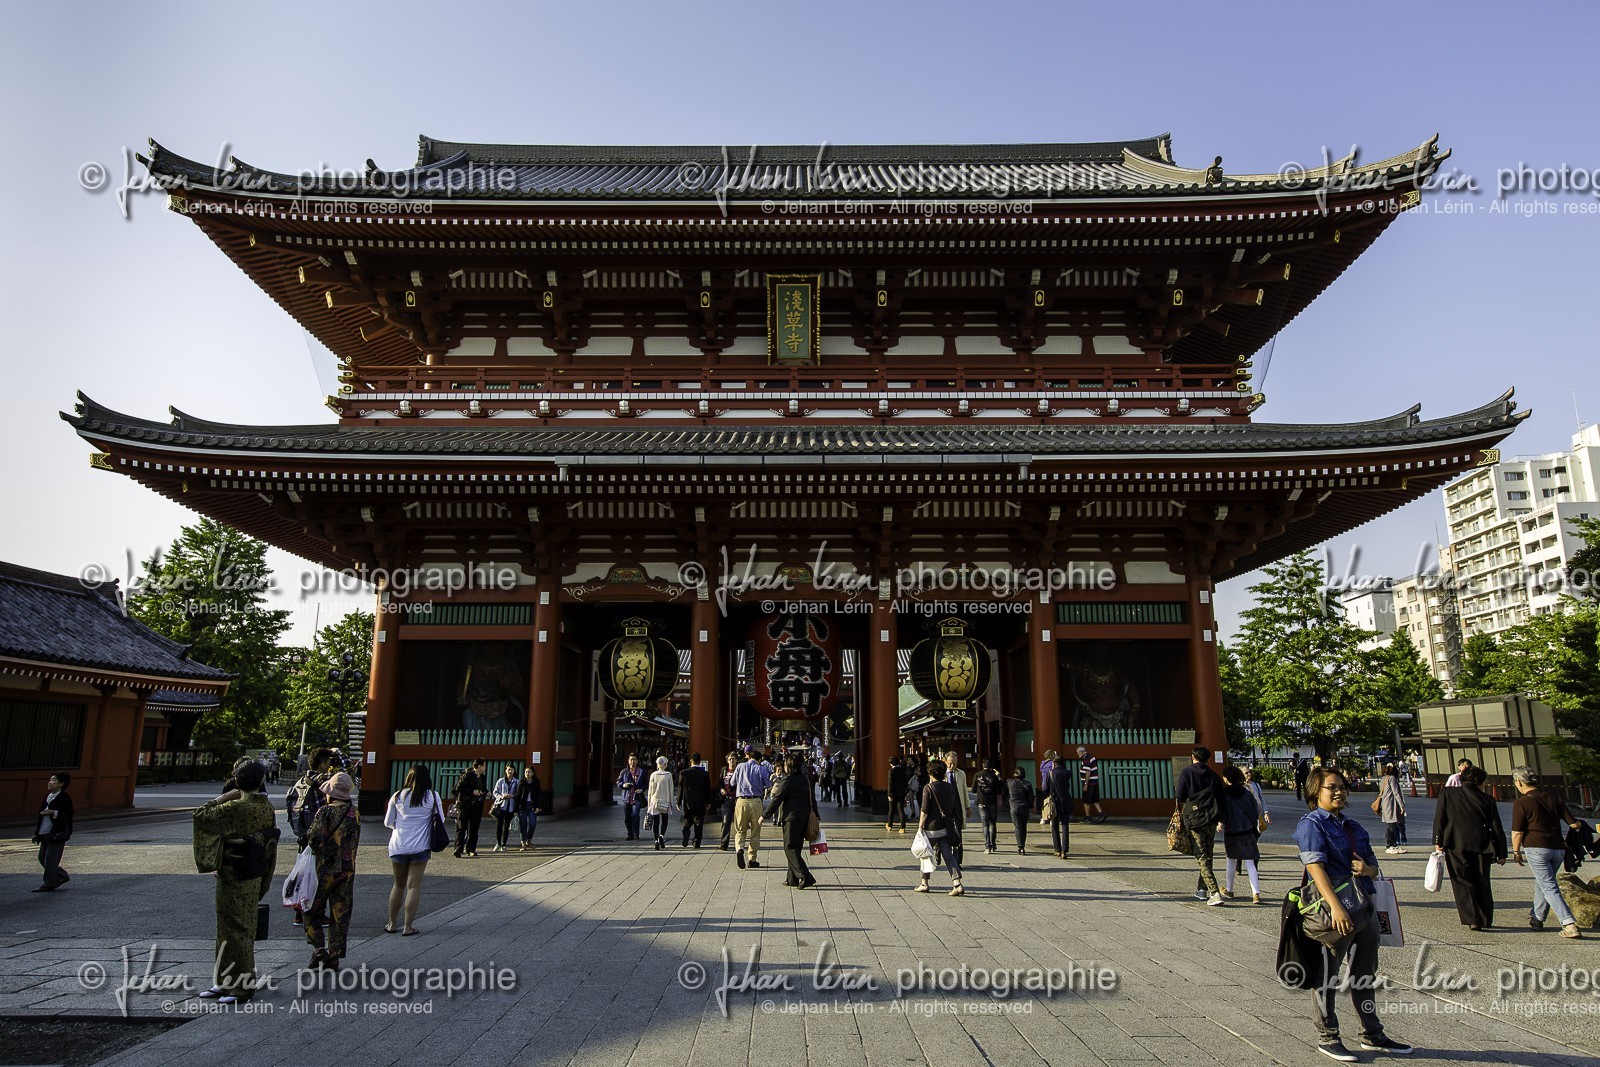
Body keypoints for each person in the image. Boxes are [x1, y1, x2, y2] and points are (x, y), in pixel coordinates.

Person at [1295, 765, 1412, 1059]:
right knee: (1328, 975)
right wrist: (1335, 907)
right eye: (1331, 787)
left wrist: (1368, 869)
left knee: (1364, 974)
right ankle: (1328, 1036)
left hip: (1365, 906)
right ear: (1314, 791)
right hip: (1335, 910)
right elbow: (1314, 868)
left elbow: (1374, 866)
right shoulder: (1311, 825)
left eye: (1341, 787)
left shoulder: (1353, 826)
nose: (1338, 792)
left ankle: (1372, 1034)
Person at [193, 760, 278, 1004]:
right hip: (252, 872)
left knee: (235, 929)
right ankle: (225, 982)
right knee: (234, 928)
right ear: (261, 781)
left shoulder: (236, 807)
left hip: (233, 871)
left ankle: (241, 987)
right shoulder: (266, 807)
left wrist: (224, 797)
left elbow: (200, 815)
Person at [1510, 766, 1584, 938]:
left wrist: (1516, 850)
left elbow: (1517, 832)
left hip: (1536, 848)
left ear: (1519, 782)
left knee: (1549, 885)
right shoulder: (1554, 798)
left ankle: (1569, 923)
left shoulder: (1521, 802)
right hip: (1558, 849)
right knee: (1543, 882)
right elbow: (1573, 824)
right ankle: (1537, 918)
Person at [1433, 765, 1507, 930]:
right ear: (1481, 782)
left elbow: (1440, 818)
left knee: (1461, 880)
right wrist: (1502, 851)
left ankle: (1472, 918)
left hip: (1454, 842)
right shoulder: (1487, 799)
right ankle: (1485, 917)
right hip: (1482, 844)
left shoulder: (1448, 794)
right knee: (1482, 881)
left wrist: (1438, 840)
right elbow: (1496, 827)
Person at [305, 771, 360, 971]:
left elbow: (313, 838)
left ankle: (319, 948)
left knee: (310, 909)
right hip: (346, 871)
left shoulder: (325, 812)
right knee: (340, 913)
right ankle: (335, 955)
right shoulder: (354, 813)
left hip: (324, 870)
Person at [384, 763, 442, 936]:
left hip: (398, 845)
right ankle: (408, 926)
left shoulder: (397, 796)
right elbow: (440, 818)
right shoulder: (432, 796)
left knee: (398, 885)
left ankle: (392, 924)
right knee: (413, 886)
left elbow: (388, 822)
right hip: (421, 846)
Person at [1174, 746, 1224, 905]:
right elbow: (1221, 798)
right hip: (1211, 818)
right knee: (1208, 853)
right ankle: (1201, 889)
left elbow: (1180, 795)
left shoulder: (1187, 772)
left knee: (1201, 855)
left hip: (1195, 818)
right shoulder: (1214, 776)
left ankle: (1214, 892)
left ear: (1192, 757)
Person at [764, 755, 818, 889]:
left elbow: (777, 799)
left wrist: (765, 815)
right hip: (804, 817)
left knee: (789, 847)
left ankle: (806, 876)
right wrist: (816, 815)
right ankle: (791, 878)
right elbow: (812, 798)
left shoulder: (787, 780)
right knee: (796, 847)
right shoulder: (805, 779)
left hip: (791, 819)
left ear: (789, 766)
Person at [915, 760, 964, 896]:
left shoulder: (928, 788)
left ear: (930, 773)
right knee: (948, 856)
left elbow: (924, 810)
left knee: (925, 855)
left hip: (931, 827)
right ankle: (957, 884)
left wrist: (920, 826)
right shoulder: (949, 787)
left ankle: (924, 883)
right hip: (945, 826)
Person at [1217, 764, 1262, 904]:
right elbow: (1255, 810)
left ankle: (1229, 889)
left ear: (1226, 778)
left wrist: (1221, 823)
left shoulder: (1224, 794)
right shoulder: (1246, 792)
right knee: (1250, 862)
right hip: (1247, 830)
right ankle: (1256, 894)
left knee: (1231, 859)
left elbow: (1223, 811)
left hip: (1232, 831)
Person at [31, 772, 74, 892]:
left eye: (54, 780)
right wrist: (37, 833)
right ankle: (61, 875)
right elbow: (40, 818)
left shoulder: (64, 797)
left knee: (50, 861)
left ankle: (49, 883)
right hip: (44, 833)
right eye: (50, 780)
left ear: (61, 783)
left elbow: (68, 815)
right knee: (42, 858)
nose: (50, 782)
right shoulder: (47, 797)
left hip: (56, 834)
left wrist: (53, 813)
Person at [731, 746, 772, 868]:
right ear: (759, 760)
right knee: (755, 831)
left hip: (741, 801)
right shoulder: (761, 769)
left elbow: (732, 782)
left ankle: (739, 848)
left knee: (740, 829)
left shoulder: (740, 766)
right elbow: (768, 784)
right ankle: (752, 859)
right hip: (756, 801)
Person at [453, 758, 487, 857]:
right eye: (484, 765)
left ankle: (471, 849)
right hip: (465, 805)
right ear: (479, 766)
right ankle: (458, 849)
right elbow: (458, 788)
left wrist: (485, 792)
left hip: (477, 806)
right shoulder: (467, 776)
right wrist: (472, 791)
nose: (485, 768)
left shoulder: (483, 777)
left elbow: (483, 788)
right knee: (461, 828)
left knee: (474, 829)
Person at [677, 752, 711, 849]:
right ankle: (696, 842)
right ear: (700, 761)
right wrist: (708, 801)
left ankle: (686, 833)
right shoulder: (704, 774)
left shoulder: (684, 773)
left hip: (688, 801)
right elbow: (707, 789)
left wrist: (678, 801)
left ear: (691, 761)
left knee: (687, 820)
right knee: (698, 822)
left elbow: (680, 788)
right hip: (700, 801)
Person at [1046, 755, 1073, 859]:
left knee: (1054, 826)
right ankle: (1064, 850)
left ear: (1054, 763)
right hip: (1066, 800)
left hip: (1054, 801)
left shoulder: (1051, 773)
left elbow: (1045, 788)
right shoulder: (1067, 773)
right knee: (1065, 826)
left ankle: (1057, 849)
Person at [1376, 764, 1407, 854]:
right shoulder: (1392, 778)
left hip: (1384, 803)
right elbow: (1396, 792)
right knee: (1391, 825)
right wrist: (1402, 805)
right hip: (1391, 804)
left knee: (1390, 824)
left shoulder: (1383, 778)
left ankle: (1393, 845)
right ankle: (1390, 845)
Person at [974, 760, 1003, 854]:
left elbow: (974, 789)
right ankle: (993, 844)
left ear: (983, 765)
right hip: (992, 802)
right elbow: (999, 791)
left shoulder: (977, 775)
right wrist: (999, 777)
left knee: (985, 824)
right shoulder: (994, 776)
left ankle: (987, 846)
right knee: (993, 823)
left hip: (982, 802)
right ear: (991, 767)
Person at [616, 754, 647, 841]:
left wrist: (641, 789)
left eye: (634, 760)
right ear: (628, 761)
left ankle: (636, 833)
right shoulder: (624, 772)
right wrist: (623, 785)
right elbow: (618, 782)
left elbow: (646, 783)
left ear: (637, 761)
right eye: (631, 760)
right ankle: (630, 833)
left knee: (635, 815)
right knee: (627, 818)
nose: (632, 762)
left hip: (636, 798)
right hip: (627, 797)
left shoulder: (641, 772)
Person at [646, 756, 674, 850]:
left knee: (656, 822)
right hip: (665, 800)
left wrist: (649, 803)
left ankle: (656, 841)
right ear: (665, 765)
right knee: (665, 821)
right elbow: (671, 790)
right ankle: (661, 836)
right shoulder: (668, 775)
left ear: (657, 764)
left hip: (655, 800)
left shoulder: (653, 775)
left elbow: (650, 790)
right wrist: (671, 802)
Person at [1005, 767, 1034, 854]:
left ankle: (1020, 846)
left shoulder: (1009, 782)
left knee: (1018, 827)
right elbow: (1031, 798)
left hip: (1014, 807)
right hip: (1024, 807)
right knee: (1024, 826)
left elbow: (1004, 791)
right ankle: (1023, 845)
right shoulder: (1028, 784)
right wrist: (1030, 805)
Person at [514, 764, 543, 850]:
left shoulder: (536, 783)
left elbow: (539, 795)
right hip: (523, 806)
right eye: (526, 772)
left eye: (529, 772)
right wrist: (516, 810)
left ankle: (529, 840)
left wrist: (538, 806)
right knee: (523, 825)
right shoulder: (521, 783)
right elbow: (518, 796)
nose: (527, 773)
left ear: (533, 773)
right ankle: (523, 843)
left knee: (532, 824)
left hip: (532, 806)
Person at [491, 763, 518, 852]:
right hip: (501, 806)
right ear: (505, 770)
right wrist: (502, 796)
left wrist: (512, 795)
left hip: (510, 807)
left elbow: (518, 794)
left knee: (506, 827)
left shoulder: (516, 782)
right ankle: (498, 843)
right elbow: (495, 792)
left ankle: (503, 844)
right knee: (499, 825)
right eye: (509, 769)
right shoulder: (500, 781)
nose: (510, 771)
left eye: (512, 770)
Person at [1076, 745, 1105, 823]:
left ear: (1082, 751)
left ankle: (1088, 817)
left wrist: (1086, 783)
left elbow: (1088, 771)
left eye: (1078, 752)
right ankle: (1101, 814)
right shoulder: (1091, 757)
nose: (1077, 754)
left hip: (1090, 783)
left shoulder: (1086, 759)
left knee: (1086, 801)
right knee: (1094, 799)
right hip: (1094, 782)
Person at [718, 751, 740, 850]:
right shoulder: (724, 770)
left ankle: (739, 843)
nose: (732, 760)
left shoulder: (739, 770)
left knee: (739, 821)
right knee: (726, 820)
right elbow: (720, 783)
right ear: (727, 760)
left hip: (737, 798)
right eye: (730, 759)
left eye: (734, 758)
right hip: (726, 799)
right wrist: (721, 789)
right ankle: (724, 842)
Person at [886, 758, 910, 832]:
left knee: (891, 810)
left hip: (893, 793)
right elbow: (906, 781)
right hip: (901, 793)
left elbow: (890, 784)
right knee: (901, 810)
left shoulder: (891, 771)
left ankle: (889, 825)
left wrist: (889, 794)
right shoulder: (902, 770)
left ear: (891, 763)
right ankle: (902, 827)